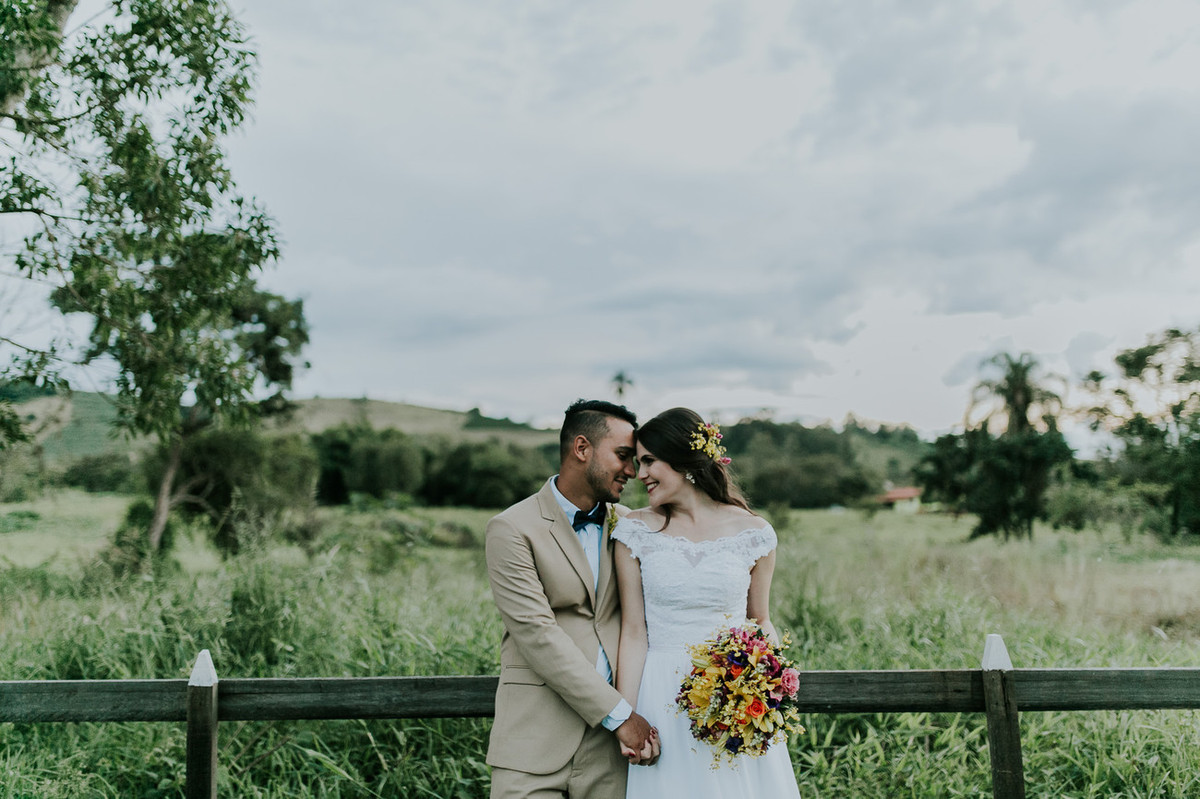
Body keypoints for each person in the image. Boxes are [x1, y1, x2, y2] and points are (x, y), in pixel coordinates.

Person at [612, 407, 802, 798]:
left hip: (733, 690)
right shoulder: (634, 531)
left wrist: (769, 689)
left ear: (683, 460)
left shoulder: (755, 533)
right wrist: (626, 717)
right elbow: (633, 633)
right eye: (637, 462)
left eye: (649, 461)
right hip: (661, 689)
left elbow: (760, 620)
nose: (640, 473)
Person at [485, 399, 659, 799]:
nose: (632, 471)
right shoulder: (511, 529)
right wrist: (622, 717)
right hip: (533, 743)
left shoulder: (632, 527)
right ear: (582, 449)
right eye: (622, 456)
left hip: (612, 753)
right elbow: (537, 634)